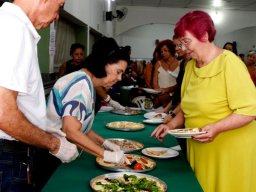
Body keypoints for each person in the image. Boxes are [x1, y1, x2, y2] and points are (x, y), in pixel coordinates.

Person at [151, 10, 256, 192]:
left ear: (205, 36)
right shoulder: (191, 66)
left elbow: (249, 110)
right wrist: (171, 125)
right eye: (180, 43)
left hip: (229, 150)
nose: (183, 48)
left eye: (186, 42)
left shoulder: (229, 63)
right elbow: (187, 107)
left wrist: (216, 128)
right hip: (200, 147)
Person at [0, 1, 78, 191]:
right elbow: (3, 113)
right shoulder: (14, 27)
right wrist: (54, 144)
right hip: (7, 157)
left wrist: (42, 128)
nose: (57, 15)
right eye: (59, 5)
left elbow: (17, 104)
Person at [46, 37, 130, 165]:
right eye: (118, 72)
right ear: (103, 62)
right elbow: (71, 131)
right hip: (52, 156)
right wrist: (106, 155)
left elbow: (80, 125)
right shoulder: (80, 85)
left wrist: (105, 143)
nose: (119, 78)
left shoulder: (86, 82)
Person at [152, 39, 179, 108]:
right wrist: (159, 94)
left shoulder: (180, 63)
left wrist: (167, 90)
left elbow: (181, 83)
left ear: (172, 50)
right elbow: (155, 82)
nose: (163, 53)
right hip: (161, 98)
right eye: (161, 51)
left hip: (176, 99)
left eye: (165, 50)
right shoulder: (158, 63)